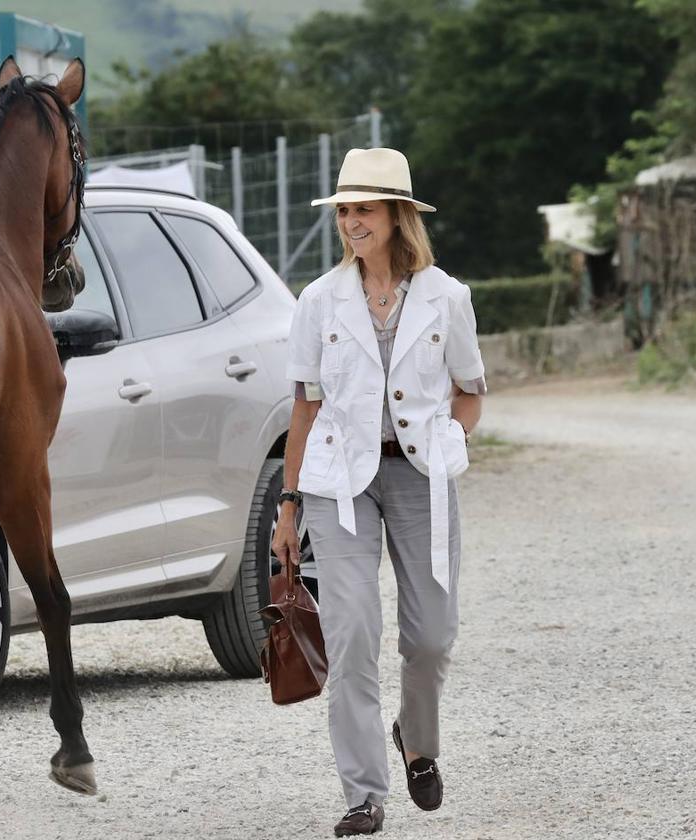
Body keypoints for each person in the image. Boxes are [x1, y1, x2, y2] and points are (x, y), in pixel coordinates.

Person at [272, 147, 486, 837]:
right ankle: (365, 792)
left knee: (431, 637)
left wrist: (449, 445)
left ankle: (417, 740)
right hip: (340, 485)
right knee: (353, 632)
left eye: (363, 209)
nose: (350, 221)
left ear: (397, 216)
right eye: (343, 210)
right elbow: (303, 407)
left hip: (423, 478)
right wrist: (288, 504)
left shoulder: (448, 298)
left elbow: (470, 394)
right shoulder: (318, 301)